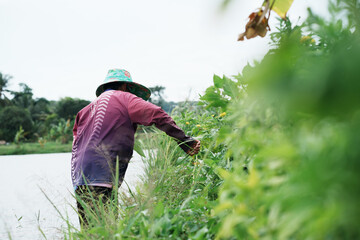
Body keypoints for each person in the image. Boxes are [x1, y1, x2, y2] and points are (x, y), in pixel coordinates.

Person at [71, 69, 201, 227]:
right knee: (108, 230)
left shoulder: (84, 111)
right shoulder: (124, 98)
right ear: (125, 86)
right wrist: (186, 142)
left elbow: (76, 142)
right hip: (102, 173)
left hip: (79, 177)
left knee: (90, 231)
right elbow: (158, 114)